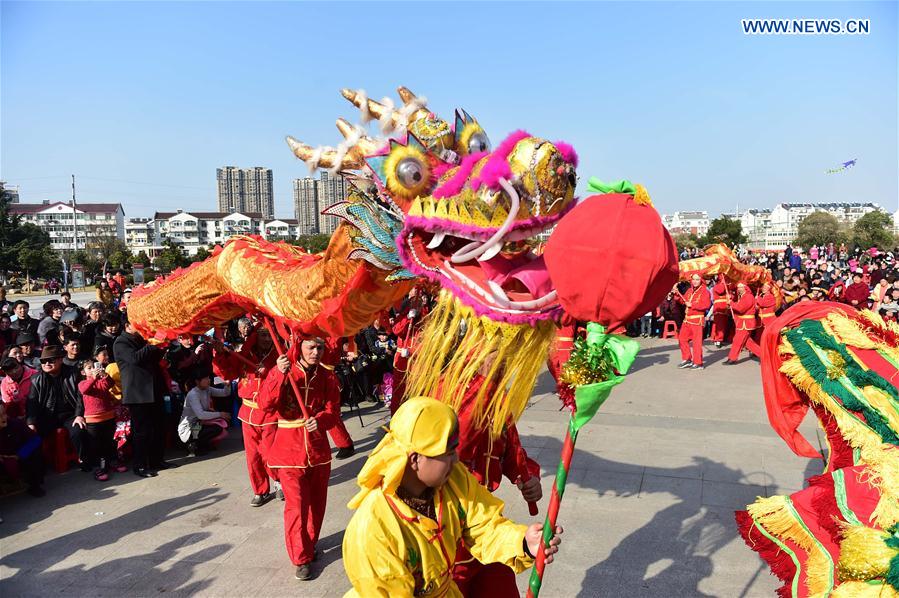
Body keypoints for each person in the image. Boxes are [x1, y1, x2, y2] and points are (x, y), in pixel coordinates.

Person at [342, 397, 562, 596]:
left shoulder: (454, 479)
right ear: (414, 459)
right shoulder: (373, 530)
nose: (456, 460)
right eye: (447, 453)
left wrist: (523, 542)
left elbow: (485, 526)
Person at [452, 373, 542, 596]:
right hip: (449, 527)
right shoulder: (451, 391)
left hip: (485, 519)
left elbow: (510, 447)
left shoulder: (497, 394)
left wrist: (529, 476)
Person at [259, 336, 341, 581]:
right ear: (299, 347)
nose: (316, 352)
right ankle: (301, 557)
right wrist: (277, 373)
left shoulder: (327, 377)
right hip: (288, 450)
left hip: (317, 451)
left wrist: (322, 420)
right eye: (311, 347)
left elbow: (333, 411)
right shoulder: (285, 370)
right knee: (296, 507)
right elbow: (265, 404)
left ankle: (310, 544)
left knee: (317, 505)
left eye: (320, 348)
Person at [213, 327, 280, 505]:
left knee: (269, 452)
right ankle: (260, 490)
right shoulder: (244, 355)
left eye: (269, 335)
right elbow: (226, 372)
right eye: (262, 335)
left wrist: (273, 372)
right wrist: (219, 355)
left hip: (270, 413)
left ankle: (279, 481)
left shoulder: (279, 355)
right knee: (252, 456)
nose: (266, 339)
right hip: (248, 413)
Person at [115, 319, 175, 478]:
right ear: (127, 326)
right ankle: (140, 465)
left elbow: (153, 357)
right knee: (142, 431)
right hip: (138, 394)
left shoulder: (142, 340)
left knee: (159, 427)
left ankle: (157, 461)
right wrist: (153, 344)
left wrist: (162, 345)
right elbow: (135, 359)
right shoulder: (120, 342)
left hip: (154, 389)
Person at [25, 345, 88, 469]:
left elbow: (80, 396)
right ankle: (23, 466)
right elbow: (32, 403)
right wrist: (31, 422)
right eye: (43, 361)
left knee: (79, 431)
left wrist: (79, 415)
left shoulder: (73, 373)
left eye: (51, 360)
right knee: (31, 439)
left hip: (70, 414)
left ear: (60, 360)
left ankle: (84, 460)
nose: (47, 363)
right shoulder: (36, 378)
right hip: (47, 416)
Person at [77, 360, 126, 481]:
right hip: (93, 420)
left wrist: (104, 375)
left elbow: (109, 383)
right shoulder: (82, 383)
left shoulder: (101, 382)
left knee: (110, 441)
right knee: (96, 444)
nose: (93, 369)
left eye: (95, 366)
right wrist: (94, 378)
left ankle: (113, 461)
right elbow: (85, 389)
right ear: (83, 372)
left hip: (108, 416)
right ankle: (99, 467)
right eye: (89, 368)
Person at [177, 369, 231, 456]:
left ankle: (202, 444)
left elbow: (225, 393)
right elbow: (201, 415)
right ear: (197, 381)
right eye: (205, 379)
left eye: (208, 378)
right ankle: (193, 445)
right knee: (217, 428)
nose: (208, 381)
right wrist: (220, 414)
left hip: (200, 423)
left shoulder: (207, 389)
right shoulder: (193, 394)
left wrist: (227, 385)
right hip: (189, 428)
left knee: (224, 422)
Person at [0, 403, 45, 497]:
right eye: (0, 416)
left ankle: (34, 486)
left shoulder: (16, 424)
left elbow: (35, 440)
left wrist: (19, 455)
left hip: (19, 456)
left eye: (4, 414)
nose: (3, 418)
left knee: (34, 452)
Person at [676, 274, 711, 370]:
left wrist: (692, 305)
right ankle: (687, 359)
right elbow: (683, 301)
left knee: (696, 343)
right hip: (687, 320)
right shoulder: (689, 290)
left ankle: (698, 363)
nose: (695, 281)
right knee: (682, 339)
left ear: (701, 280)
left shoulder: (705, 291)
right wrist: (676, 294)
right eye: (693, 279)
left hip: (697, 320)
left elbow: (706, 305)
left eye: (697, 279)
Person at [723, 283, 760, 365]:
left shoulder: (748, 296)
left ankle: (732, 358)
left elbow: (741, 309)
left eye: (741, 287)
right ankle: (764, 355)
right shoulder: (743, 296)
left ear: (745, 287)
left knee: (737, 340)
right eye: (738, 287)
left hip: (745, 323)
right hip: (743, 322)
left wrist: (731, 303)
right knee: (748, 343)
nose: (739, 289)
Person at [710, 276, 730, 348]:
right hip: (719, 308)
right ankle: (718, 340)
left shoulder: (726, 286)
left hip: (725, 308)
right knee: (720, 325)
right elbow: (720, 290)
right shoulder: (717, 286)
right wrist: (723, 283)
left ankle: (716, 338)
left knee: (720, 324)